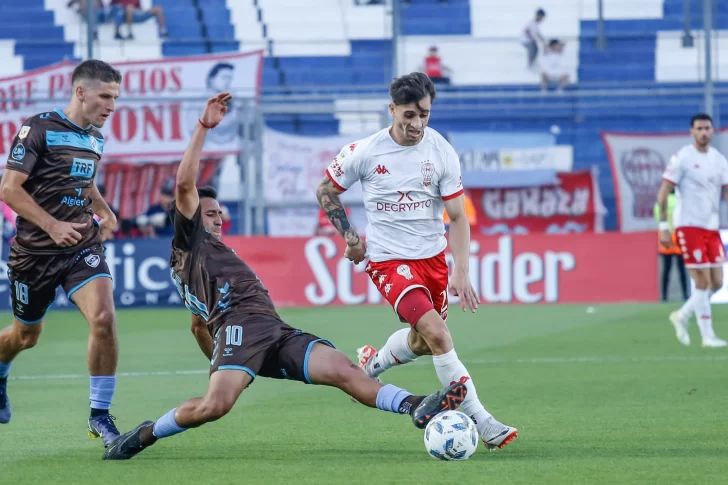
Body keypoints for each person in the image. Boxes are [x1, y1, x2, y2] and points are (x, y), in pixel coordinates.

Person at [103, 93, 467, 460]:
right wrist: (203, 127)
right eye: (209, 212)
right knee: (214, 406)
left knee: (343, 369)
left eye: (219, 212)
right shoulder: (190, 243)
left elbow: (199, 326)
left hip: (271, 330)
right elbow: (184, 186)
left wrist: (221, 363)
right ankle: (145, 434)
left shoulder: (202, 263)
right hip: (242, 330)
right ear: (190, 218)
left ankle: (416, 405)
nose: (218, 218)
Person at [315, 73, 518, 451]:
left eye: (424, 114)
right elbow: (325, 189)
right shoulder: (366, 152)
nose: (417, 124)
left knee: (422, 342)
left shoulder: (440, 150)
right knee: (438, 334)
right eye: (409, 115)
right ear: (392, 110)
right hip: (389, 261)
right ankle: (485, 422)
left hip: (433, 260)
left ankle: (372, 365)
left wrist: (461, 269)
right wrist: (350, 236)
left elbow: (457, 217)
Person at [0, 60, 123, 445]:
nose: (111, 106)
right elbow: (9, 189)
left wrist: (103, 210)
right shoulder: (36, 128)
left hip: (80, 246)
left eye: (116, 98)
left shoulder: (95, 139)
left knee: (103, 318)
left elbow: (82, 181)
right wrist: (52, 225)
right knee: (26, 336)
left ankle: (100, 416)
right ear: (80, 92)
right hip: (34, 253)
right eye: (105, 96)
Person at [657, 113, 728, 348]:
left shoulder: (719, 160)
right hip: (689, 226)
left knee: (717, 282)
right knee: (702, 281)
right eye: (699, 128)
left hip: (711, 227)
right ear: (692, 131)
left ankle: (682, 315)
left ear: (712, 131)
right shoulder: (683, 158)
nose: (704, 132)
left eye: (707, 128)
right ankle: (707, 336)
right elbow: (664, 190)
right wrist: (663, 227)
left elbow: (725, 193)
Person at [654, 190, 688, 302]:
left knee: (666, 269)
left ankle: (664, 296)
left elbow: (657, 216)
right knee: (682, 269)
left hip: (665, 236)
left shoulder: (661, 201)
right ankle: (685, 294)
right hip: (678, 236)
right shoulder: (680, 201)